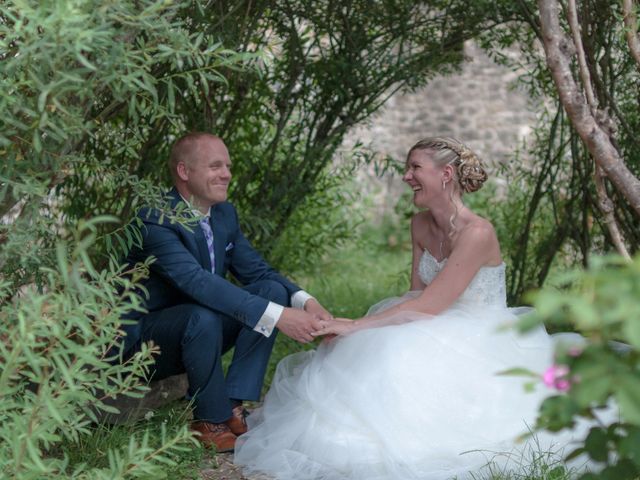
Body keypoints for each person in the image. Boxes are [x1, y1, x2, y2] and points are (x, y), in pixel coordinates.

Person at [234, 137, 592, 479]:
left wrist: (355, 324)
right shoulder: (419, 224)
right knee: (379, 351)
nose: (406, 177)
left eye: (414, 167)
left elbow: (430, 305)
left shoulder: (477, 233)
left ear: (445, 175)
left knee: (392, 350)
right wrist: (360, 329)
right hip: (428, 317)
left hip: (481, 334)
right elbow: (414, 296)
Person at [119, 132, 332, 453]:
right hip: (146, 343)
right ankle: (208, 420)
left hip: (199, 329)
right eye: (215, 166)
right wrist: (278, 317)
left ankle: (230, 402)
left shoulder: (223, 214)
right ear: (184, 171)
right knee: (203, 315)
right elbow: (196, 282)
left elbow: (257, 271)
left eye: (228, 166)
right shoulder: (154, 218)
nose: (227, 174)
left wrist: (305, 301)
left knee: (272, 291)